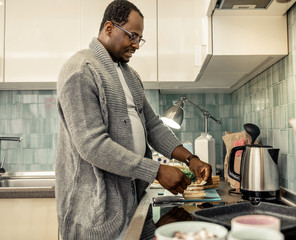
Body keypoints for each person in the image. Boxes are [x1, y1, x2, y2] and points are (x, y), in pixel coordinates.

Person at [55, 0, 212, 239]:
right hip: (96, 214)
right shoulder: (81, 71)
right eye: (132, 36)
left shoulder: (130, 75)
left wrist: (190, 158)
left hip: (133, 202)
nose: (136, 45)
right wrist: (156, 170)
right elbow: (92, 146)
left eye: (140, 39)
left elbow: (153, 126)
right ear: (109, 28)